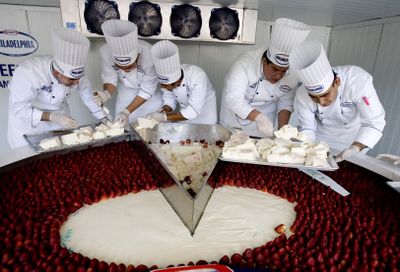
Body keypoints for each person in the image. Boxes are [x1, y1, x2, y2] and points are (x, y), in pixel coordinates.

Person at [7, 28, 106, 149]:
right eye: (71, 80)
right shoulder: (28, 72)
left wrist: (104, 118)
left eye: (78, 78)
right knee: (30, 162)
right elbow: (18, 108)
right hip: (28, 124)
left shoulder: (77, 75)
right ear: (57, 72)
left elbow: (89, 98)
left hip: (60, 118)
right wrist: (52, 117)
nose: (76, 83)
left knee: (62, 156)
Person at [289, 41, 386, 161]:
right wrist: (309, 150)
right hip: (320, 138)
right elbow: (307, 128)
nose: (322, 102)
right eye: (314, 97)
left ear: (337, 82)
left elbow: (374, 123)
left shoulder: (357, 81)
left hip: (353, 139)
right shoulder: (302, 93)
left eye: (325, 94)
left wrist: (355, 148)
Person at [219, 18, 311, 137]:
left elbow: (286, 103)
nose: (278, 75)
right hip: (233, 123)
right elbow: (234, 100)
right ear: (264, 61)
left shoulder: (293, 73)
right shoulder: (244, 64)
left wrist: (283, 132)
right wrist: (260, 118)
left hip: (264, 128)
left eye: (283, 71)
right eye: (275, 69)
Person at [96, 19, 162, 127]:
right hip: (125, 94)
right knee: (121, 130)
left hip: (151, 98)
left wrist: (126, 112)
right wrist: (106, 94)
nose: (124, 70)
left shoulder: (150, 55)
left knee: (151, 130)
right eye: (119, 67)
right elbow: (109, 79)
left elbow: (147, 90)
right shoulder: (105, 52)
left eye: (130, 67)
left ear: (138, 57)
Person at [146, 40, 217, 125]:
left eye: (165, 86)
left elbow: (194, 110)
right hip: (183, 115)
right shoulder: (167, 82)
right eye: (162, 84)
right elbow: (170, 101)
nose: (163, 87)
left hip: (206, 116)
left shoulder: (197, 76)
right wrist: (161, 111)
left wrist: (165, 117)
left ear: (178, 81)